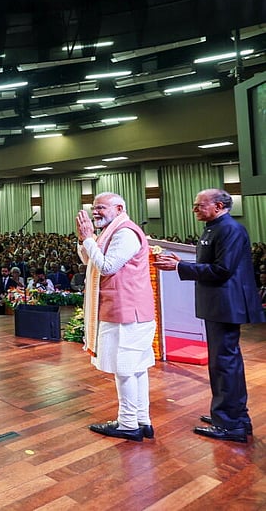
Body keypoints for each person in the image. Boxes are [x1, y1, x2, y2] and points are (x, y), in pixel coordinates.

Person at [154, 189, 266, 443]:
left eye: (199, 205)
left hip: (227, 304)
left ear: (217, 205)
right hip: (218, 304)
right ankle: (231, 416)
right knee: (222, 363)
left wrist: (179, 267)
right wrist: (180, 262)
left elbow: (223, 269)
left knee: (224, 364)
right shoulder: (214, 226)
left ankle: (230, 424)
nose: (194, 209)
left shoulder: (230, 229)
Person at [77, 192, 156, 442]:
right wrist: (85, 240)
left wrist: (89, 238)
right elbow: (91, 261)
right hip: (126, 311)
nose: (95, 212)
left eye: (101, 207)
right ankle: (142, 420)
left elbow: (108, 266)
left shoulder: (125, 232)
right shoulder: (111, 231)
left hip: (126, 313)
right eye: (93, 208)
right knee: (137, 368)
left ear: (119, 208)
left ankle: (128, 423)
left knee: (126, 368)